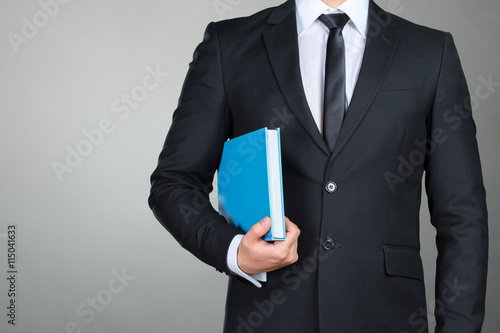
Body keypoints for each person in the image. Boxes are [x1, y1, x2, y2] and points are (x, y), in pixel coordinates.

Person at [149, 0, 488, 332]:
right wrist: (233, 250)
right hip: (268, 316)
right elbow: (174, 183)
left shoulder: (430, 52)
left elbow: (462, 214)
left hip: (386, 315)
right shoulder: (231, 44)